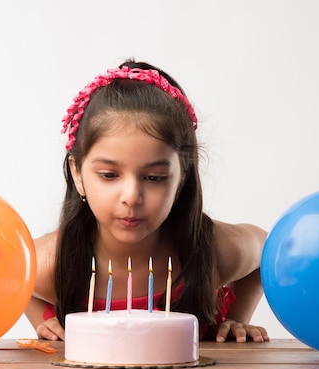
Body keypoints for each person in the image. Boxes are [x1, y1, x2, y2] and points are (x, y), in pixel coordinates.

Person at [24, 59, 269, 343]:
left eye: (154, 177)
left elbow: (268, 252)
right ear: (78, 174)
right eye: (109, 175)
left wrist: (234, 319)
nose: (131, 197)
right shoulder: (52, 262)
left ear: (182, 177)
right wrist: (42, 319)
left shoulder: (211, 251)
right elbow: (9, 275)